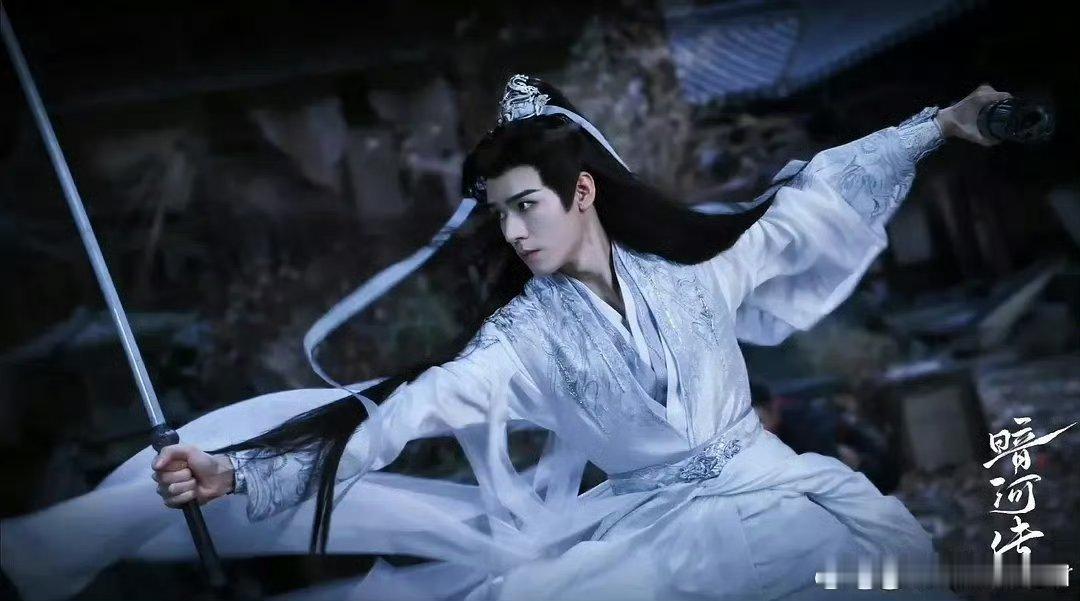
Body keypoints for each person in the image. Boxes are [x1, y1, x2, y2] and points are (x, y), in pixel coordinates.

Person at [1, 75, 1010, 601]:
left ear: (583, 191)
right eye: (500, 215)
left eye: (527, 205)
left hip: (781, 496)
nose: (516, 232)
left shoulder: (698, 264)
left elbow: (809, 203)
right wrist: (234, 471)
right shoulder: (522, 341)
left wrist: (939, 126)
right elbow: (395, 421)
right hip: (655, 540)